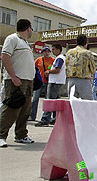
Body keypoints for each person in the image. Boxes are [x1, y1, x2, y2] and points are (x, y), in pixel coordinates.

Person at [0, 19, 35, 147]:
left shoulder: (25, 42)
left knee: (25, 110)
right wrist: (13, 76)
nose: (32, 31)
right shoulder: (12, 39)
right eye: (31, 28)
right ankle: (1, 135)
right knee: (11, 109)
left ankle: (21, 135)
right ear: (28, 28)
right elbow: (4, 57)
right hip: (16, 81)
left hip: (28, 81)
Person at [35, 44, 66, 127]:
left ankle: (45, 119)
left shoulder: (59, 58)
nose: (52, 51)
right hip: (57, 82)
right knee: (55, 101)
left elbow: (57, 70)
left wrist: (48, 72)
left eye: (54, 49)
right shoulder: (60, 58)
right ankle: (55, 119)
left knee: (50, 101)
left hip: (55, 82)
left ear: (59, 50)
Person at [28, 45, 55, 121]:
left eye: (48, 51)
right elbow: (33, 67)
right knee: (35, 99)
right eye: (45, 51)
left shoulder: (53, 60)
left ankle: (47, 117)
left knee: (48, 100)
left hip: (49, 82)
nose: (46, 53)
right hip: (40, 82)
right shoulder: (38, 60)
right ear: (42, 52)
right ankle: (32, 115)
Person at [66, 34, 96, 100]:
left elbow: (66, 65)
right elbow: (93, 69)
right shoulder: (87, 53)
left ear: (76, 42)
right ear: (86, 43)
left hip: (71, 80)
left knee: (72, 102)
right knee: (87, 103)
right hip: (84, 80)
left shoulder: (69, 52)